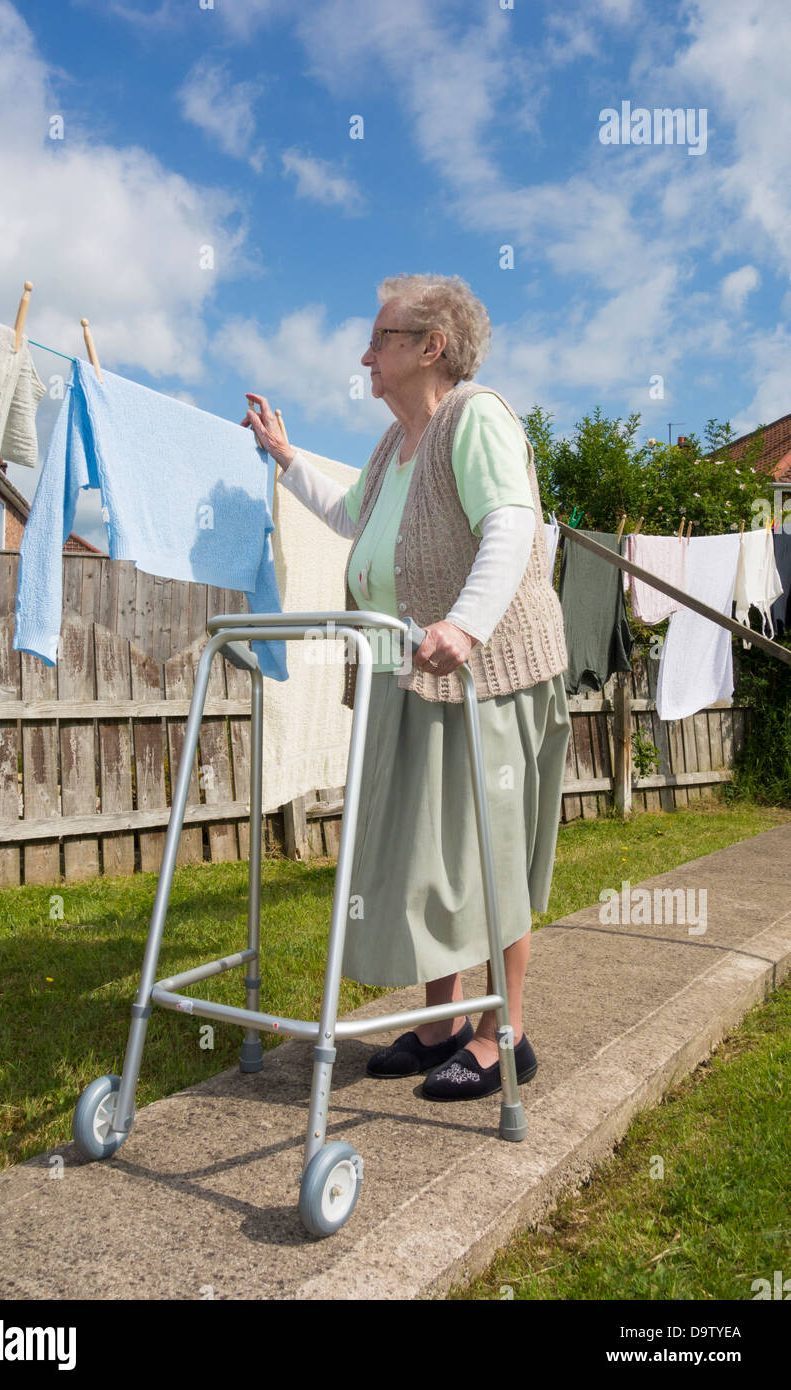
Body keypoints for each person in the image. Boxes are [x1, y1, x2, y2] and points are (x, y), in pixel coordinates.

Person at [240, 272, 570, 1100]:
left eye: (381, 339)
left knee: (489, 855)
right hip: (412, 678)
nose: (365, 355)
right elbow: (355, 518)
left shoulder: (476, 418)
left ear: (432, 346)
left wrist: (466, 624)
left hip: (487, 672)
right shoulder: (394, 448)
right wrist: (285, 460)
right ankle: (439, 1025)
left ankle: (507, 1036)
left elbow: (511, 524)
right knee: (428, 858)